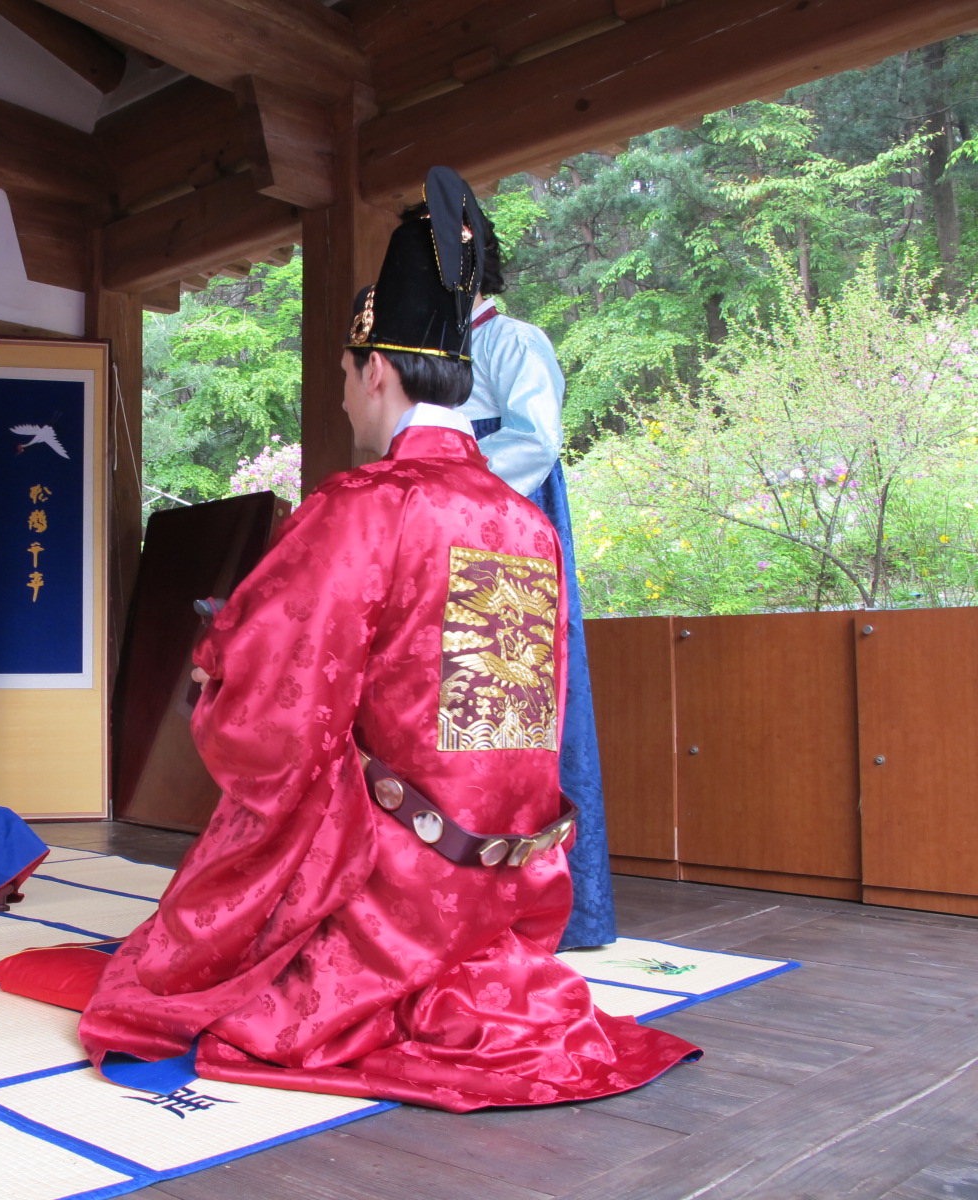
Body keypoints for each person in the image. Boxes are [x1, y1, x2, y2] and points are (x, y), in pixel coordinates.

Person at [76, 169, 698, 1111]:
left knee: (211, 918)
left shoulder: (369, 506)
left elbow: (278, 696)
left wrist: (216, 664)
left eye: (342, 378)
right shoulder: (527, 525)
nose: (341, 403)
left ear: (375, 371)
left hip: (387, 891)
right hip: (499, 888)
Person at [463, 214, 616, 949]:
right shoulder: (432, 352)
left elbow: (534, 439)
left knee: (523, 700)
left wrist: (454, 481)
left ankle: (552, 906)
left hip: (506, 523)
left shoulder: (512, 340)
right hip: (454, 519)